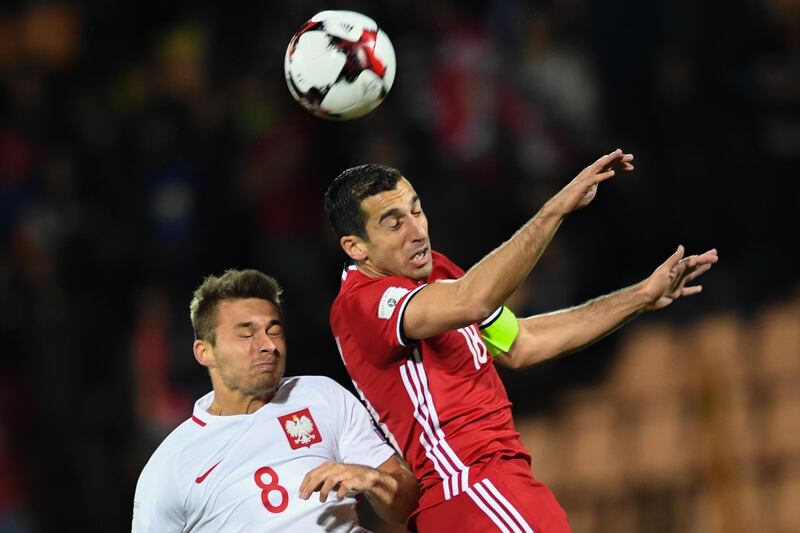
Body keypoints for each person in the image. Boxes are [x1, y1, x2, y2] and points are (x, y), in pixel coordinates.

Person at [323, 148, 719, 532]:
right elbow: (475, 298)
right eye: (394, 223)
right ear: (356, 247)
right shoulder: (361, 303)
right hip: (473, 489)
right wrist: (554, 211)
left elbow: (521, 342)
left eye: (416, 210)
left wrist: (640, 296)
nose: (417, 231)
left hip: (489, 492)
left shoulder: (436, 273)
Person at [132, 269, 419, 532]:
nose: (268, 345)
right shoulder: (171, 465)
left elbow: (408, 503)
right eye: (246, 334)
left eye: (274, 330)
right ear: (204, 352)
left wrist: (372, 479)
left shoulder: (321, 397)